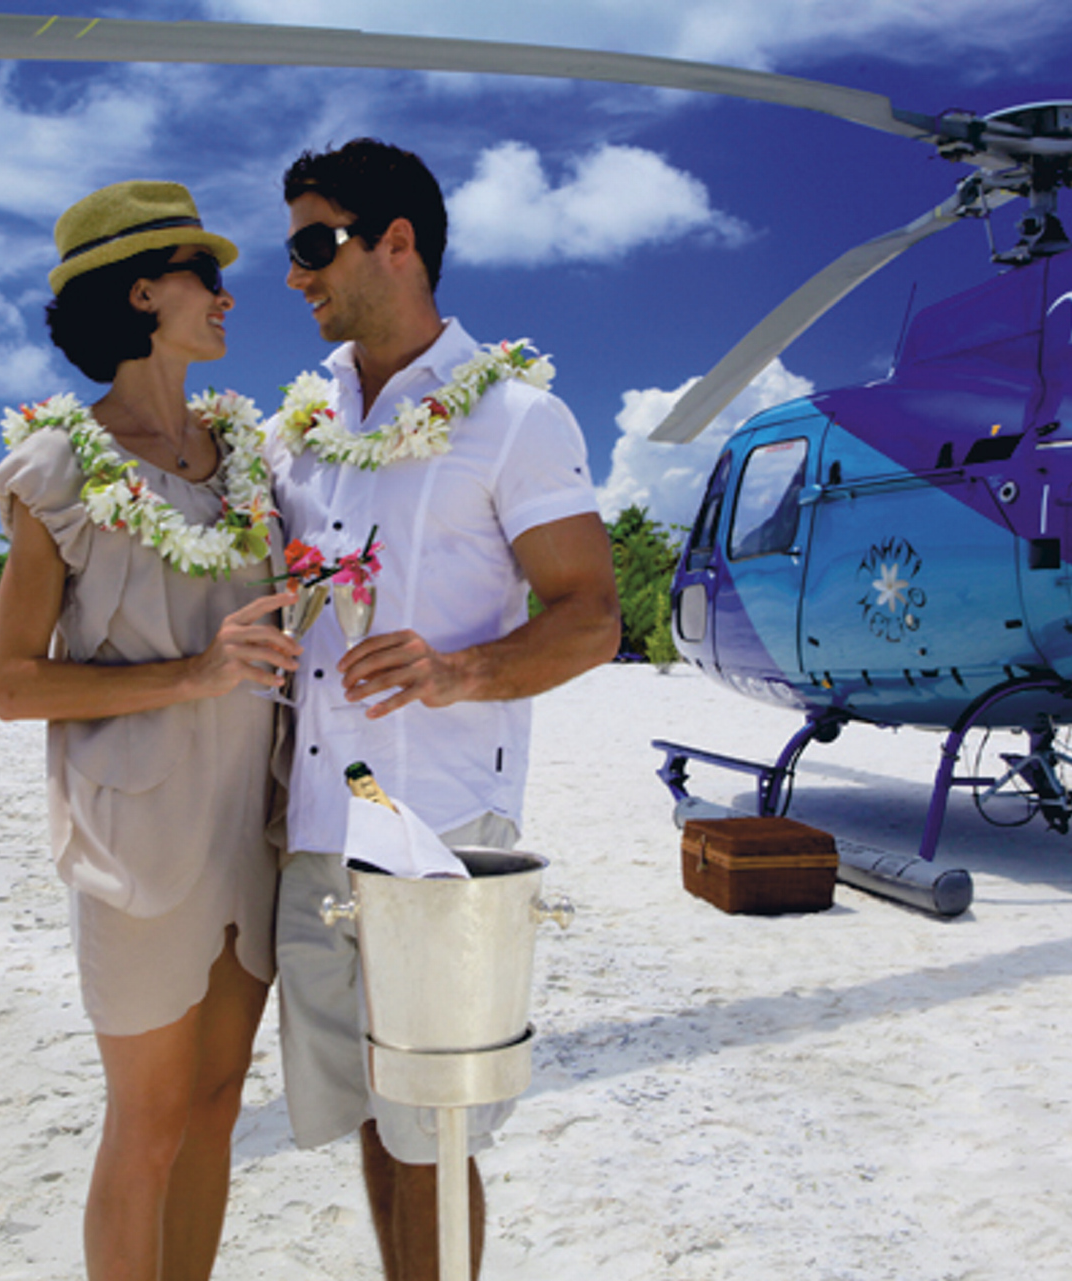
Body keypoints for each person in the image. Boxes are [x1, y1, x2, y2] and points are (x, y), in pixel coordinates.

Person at [265, 139, 620, 1281]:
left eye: (314, 243)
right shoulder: (296, 429)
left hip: (440, 828)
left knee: (435, 1128)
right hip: (316, 824)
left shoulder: (515, 417)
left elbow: (591, 618)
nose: (295, 274)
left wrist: (455, 672)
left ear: (397, 242)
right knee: (377, 1120)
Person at [0, 181, 298, 1281]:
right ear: (142, 294)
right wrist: (194, 675)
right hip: (138, 843)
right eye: (203, 274)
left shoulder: (249, 458)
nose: (227, 295)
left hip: (249, 827)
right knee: (148, 1122)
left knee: (217, 1106)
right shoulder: (61, 468)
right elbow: (14, 685)